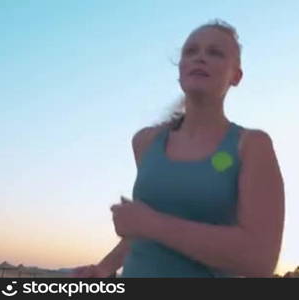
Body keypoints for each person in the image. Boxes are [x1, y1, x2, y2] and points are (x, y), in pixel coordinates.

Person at [70, 19, 284, 278]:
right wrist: (105, 268)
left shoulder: (251, 146)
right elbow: (141, 233)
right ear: (180, 69)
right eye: (190, 52)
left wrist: (151, 224)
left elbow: (259, 260)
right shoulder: (146, 142)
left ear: (236, 76)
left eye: (214, 53)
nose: (200, 58)